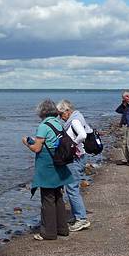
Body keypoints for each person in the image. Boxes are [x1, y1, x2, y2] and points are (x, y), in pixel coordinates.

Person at [22, 99, 75, 240]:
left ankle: (48, 232)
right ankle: (62, 228)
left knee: (47, 198)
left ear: (41, 112)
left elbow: (37, 148)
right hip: (59, 161)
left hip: (47, 163)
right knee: (58, 195)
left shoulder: (43, 125)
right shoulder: (58, 122)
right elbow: (52, 140)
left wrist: (27, 143)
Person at [56, 100, 91, 232]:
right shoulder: (77, 116)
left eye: (61, 114)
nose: (60, 117)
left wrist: (72, 145)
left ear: (67, 111)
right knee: (72, 187)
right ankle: (78, 216)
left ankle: (82, 219)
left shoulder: (74, 120)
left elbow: (82, 135)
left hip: (76, 158)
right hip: (79, 157)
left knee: (72, 188)